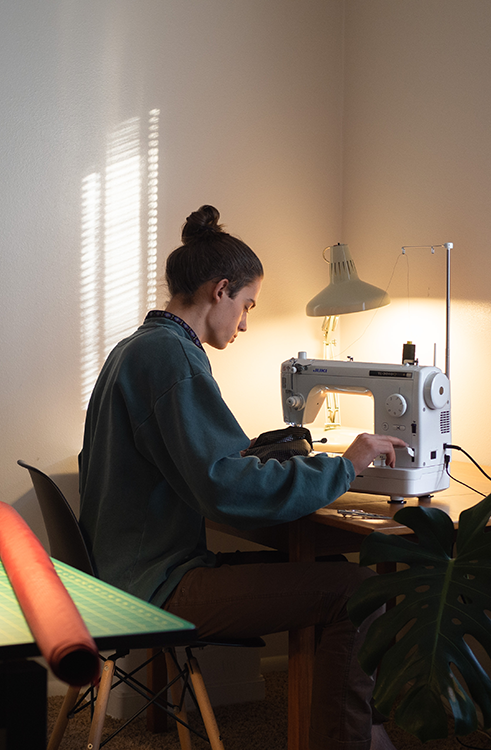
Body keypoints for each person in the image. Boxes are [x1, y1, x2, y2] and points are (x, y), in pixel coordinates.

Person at [79, 205, 406, 750]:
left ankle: (355, 727)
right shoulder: (173, 359)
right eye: (247, 305)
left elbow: (204, 462)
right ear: (221, 290)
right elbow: (224, 488)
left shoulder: (136, 348)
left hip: (119, 571)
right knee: (359, 592)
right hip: (152, 587)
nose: (247, 322)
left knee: (329, 574)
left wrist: (271, 461)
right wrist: (345, 467)